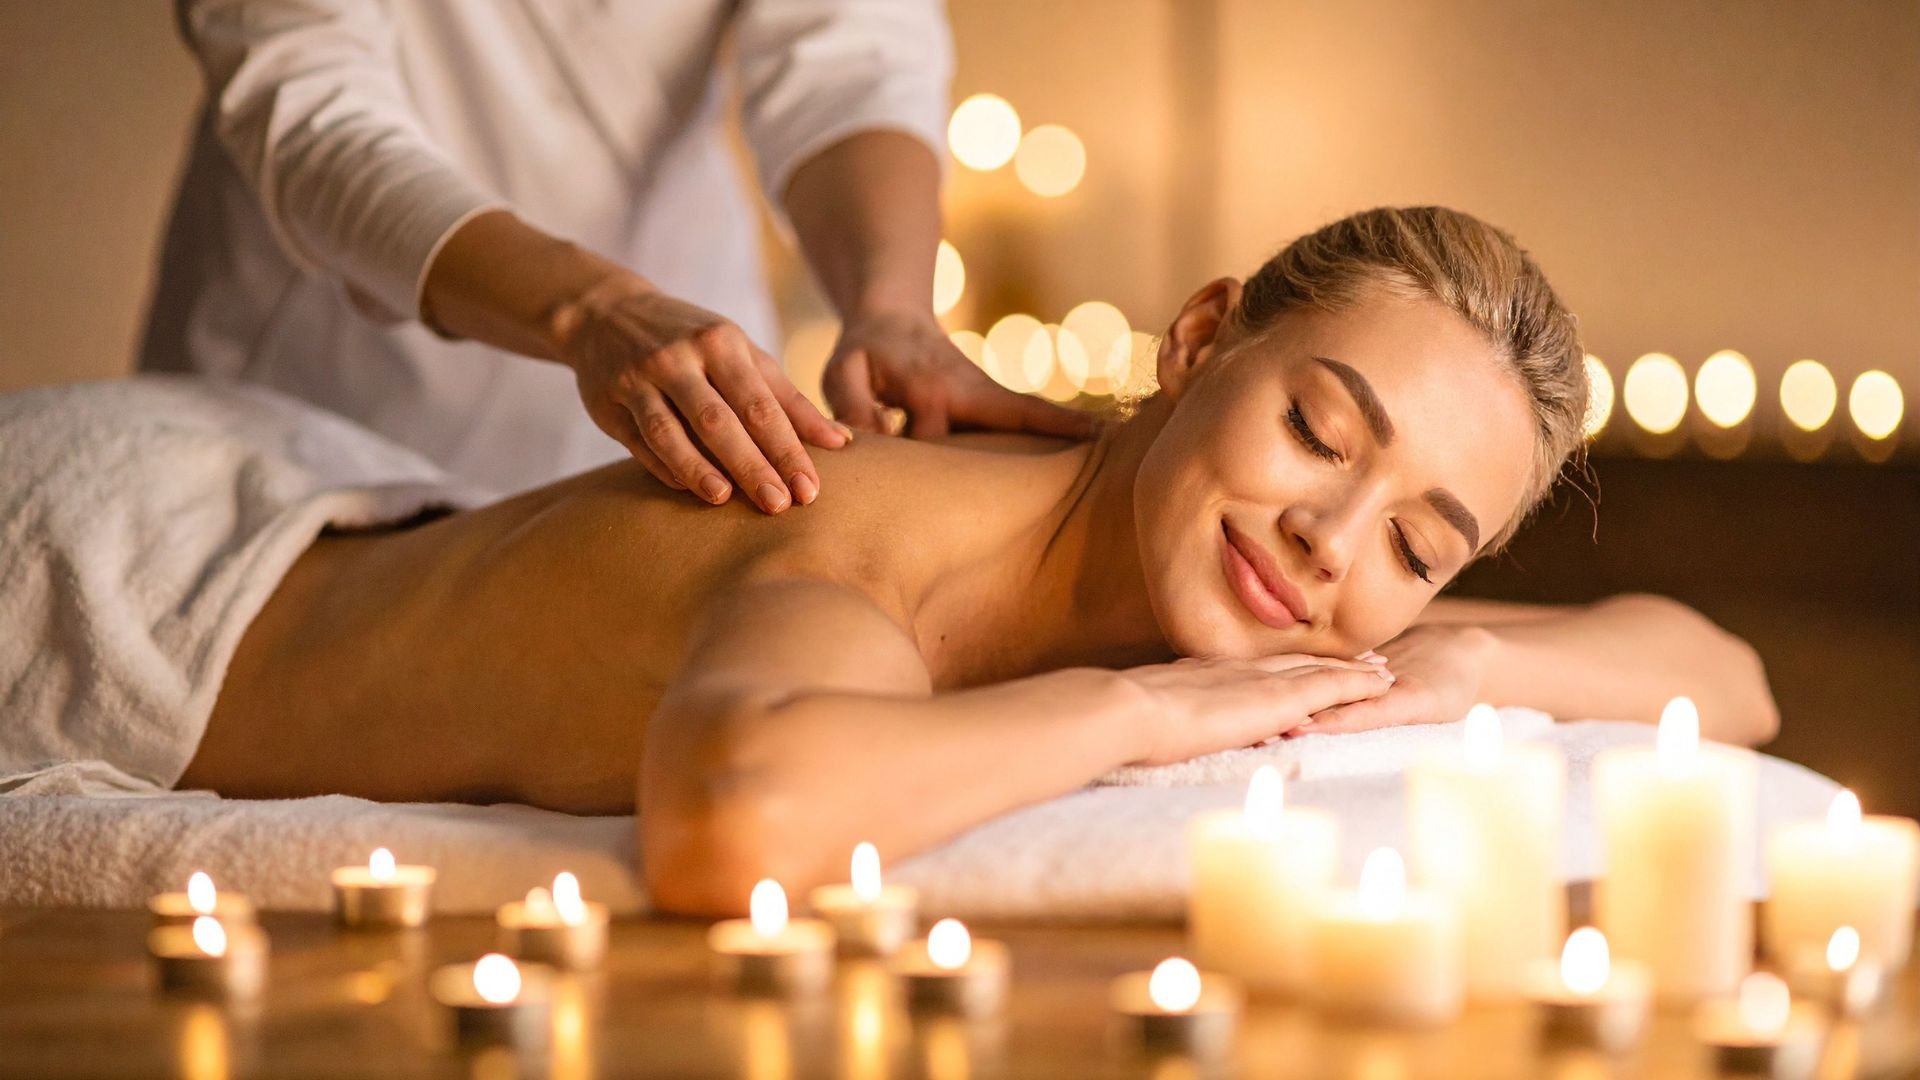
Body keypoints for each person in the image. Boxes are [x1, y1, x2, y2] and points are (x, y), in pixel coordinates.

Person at [172, 207, 1776, 914]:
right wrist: (1140, 718)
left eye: (1425, 544)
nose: (1335, 540)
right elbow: (736, 821)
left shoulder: (1244, 560)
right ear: (1202, 336)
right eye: (1316, 429)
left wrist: (1466, 656)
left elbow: (1728, 677)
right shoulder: (885, 548)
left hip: (360, 506)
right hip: (154, 576)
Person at [141, 0, 1094, 504]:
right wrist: (587, 309)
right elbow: (311, 115)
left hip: (701, 396)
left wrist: (891, 306)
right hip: (324, 377)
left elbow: (850, 55)